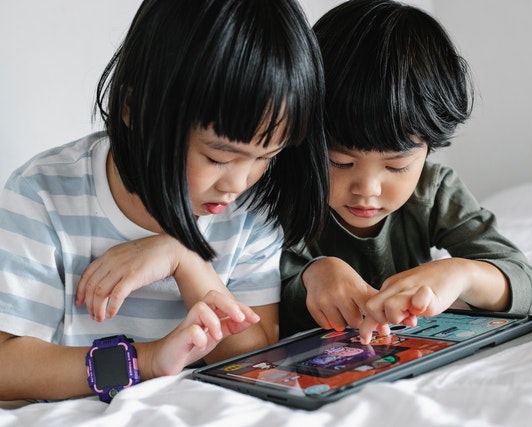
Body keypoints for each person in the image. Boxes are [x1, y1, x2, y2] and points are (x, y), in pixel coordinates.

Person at [0, 0, 328, 402]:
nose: (239, 183)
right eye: (218, 158)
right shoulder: (45, 195)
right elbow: (5, 365)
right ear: (134, 110)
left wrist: (185, 262)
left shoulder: (250, 210)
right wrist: (147, 359)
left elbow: (258, 358)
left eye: (266, 157)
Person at [279, 0, 532, 343]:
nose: (368, 189)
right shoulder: (285, 195)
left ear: (429, 149)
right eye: (340, 162)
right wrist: (311, 276)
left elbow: (529, 283)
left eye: (396, 166)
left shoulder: (433, 191)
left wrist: (461, 273)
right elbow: (253, 303)